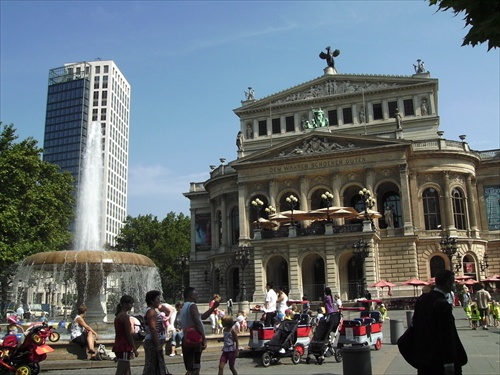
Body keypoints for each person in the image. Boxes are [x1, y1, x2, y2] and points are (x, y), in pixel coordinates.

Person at [411, 270, 467, 374]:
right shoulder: (442, 303)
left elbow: (415, 325)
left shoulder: (422, 299)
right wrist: (449, 363)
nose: (454, 285)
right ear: (448, 283)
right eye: (453, 282)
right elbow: (446, 335)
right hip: (439, 360)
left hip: (424, 358)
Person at [180, 286, 220, 375]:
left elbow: (202, 317)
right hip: (194, 339)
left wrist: (213, 308)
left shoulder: (184, 307)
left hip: (186, 339)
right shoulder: (192, 305)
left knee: (191, 367)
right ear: (191, 295)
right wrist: (204, 338)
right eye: (196, 294)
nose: (197, 296)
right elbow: (198, 322)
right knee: (195, 368)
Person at [142, 290, 167, 375]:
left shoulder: (151, 310)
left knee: (156, 366)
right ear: (152, 301)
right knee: (152, 366)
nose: (159, 301)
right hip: (153, 342)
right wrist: (158, 345)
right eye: (157, 299)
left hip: (154, 341)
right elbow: (153, 328)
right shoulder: (151, 311)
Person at [112, 295, 139, 375]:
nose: (132, 305)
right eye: (130, 303)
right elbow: (128, 334)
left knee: (127, 370)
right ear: (124, 304)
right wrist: (134, 348)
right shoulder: (125, 317)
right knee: (121, 370)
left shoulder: (118, 316)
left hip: (119, 345)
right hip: (123, 346)